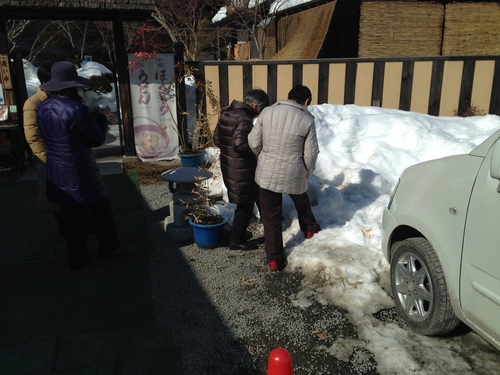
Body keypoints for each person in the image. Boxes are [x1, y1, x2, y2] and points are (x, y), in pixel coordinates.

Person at [36, 61, 122, 270]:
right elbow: (95, 139)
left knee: (71, 216)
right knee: (101, 208)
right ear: (72, 85)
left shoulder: (44, 107)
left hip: (56, 168)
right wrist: (101, 119)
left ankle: (78, 258)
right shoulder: (75, 109)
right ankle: (108, 249)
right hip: (79, 167)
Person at [248, 85, 320, 272]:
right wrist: (306, 172)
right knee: (300, 196)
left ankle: (274, 260)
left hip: (267, 171)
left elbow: (254, 142)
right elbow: (311, 154)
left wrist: (263, 157)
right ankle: (310, 227)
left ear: (288, 97)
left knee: (270, 217)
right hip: (294, 170)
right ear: (305, 102)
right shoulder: (307, 119)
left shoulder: (267, 112)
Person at [214, 89, 270, 250]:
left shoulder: (227, 114)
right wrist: (257, 148)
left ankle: (269, 227)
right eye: (260, 110)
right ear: (254, 105)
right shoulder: (244, 120)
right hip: (242, 170)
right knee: (245, 205)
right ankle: (236, 241)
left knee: (256, 198)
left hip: (230, 167)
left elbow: (216, 139)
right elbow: (240, 145)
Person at [23, 61, 63, 228]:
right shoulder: (33, 103)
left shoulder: (61, 97)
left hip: (63, 155)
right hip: (49, 157)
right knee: (55, 196)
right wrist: (46, 158)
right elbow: (32, 136)